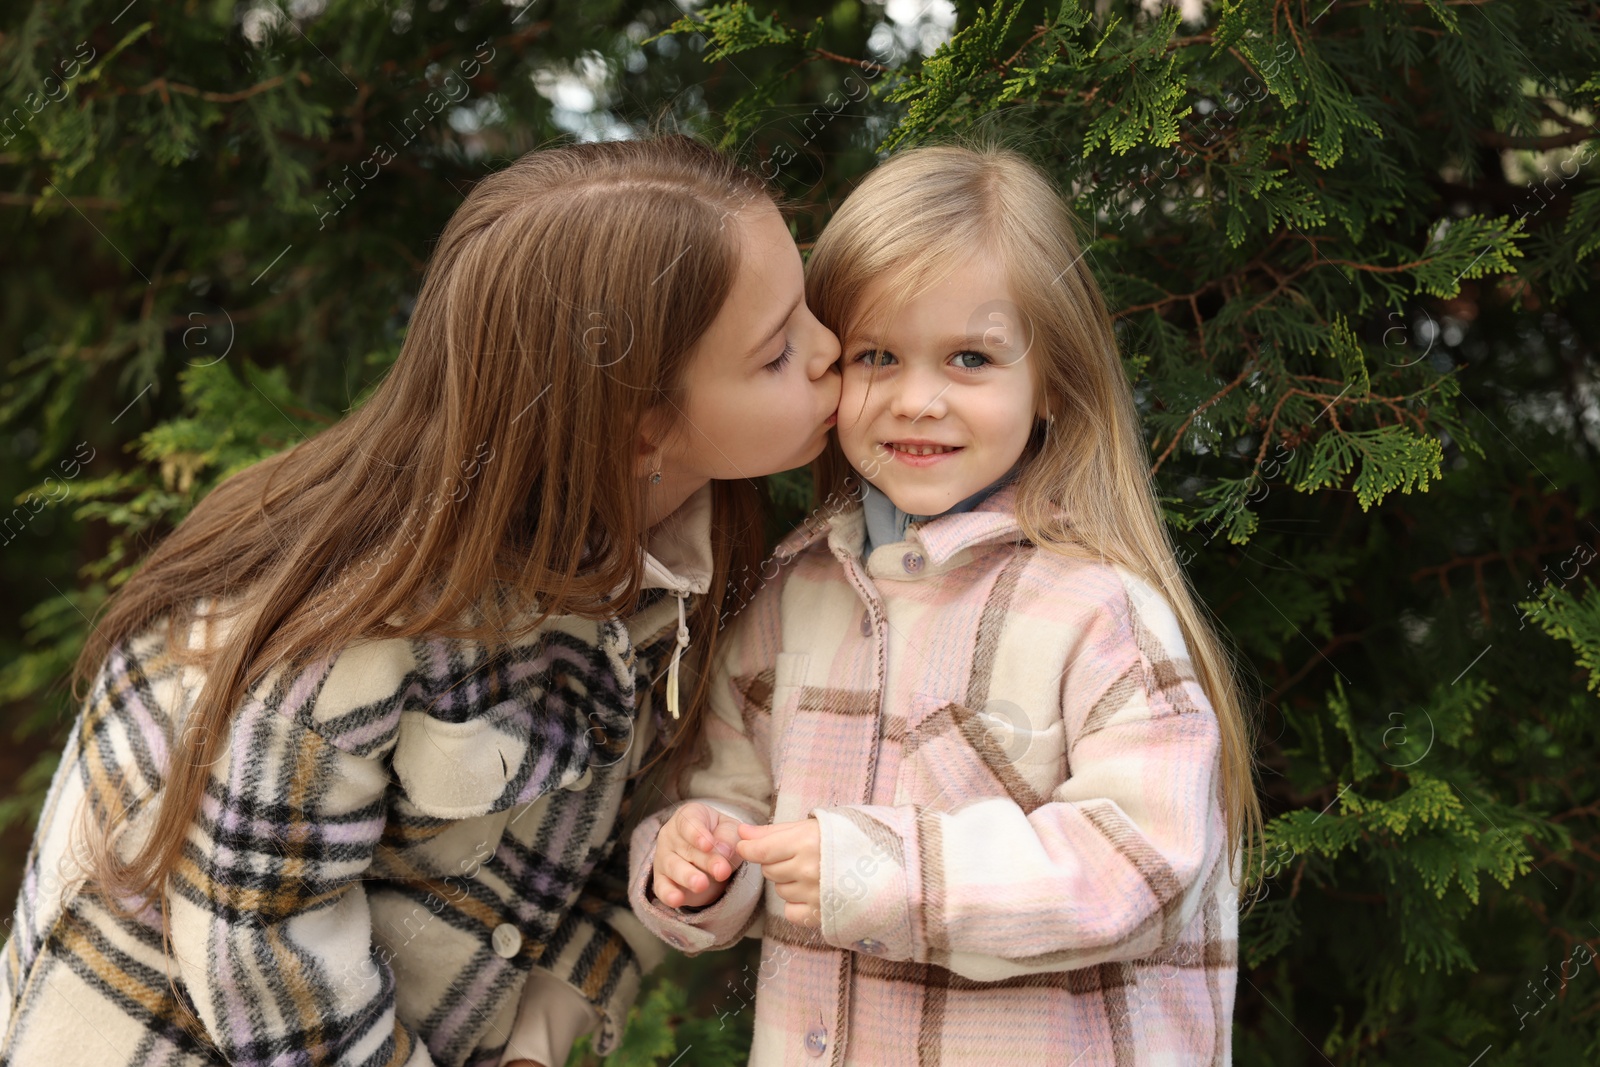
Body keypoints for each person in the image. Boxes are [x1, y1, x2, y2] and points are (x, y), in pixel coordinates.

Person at [0, 134, 841, 1067]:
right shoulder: (372, 620)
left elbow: (623, 837)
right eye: (777, 352)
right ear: (644, 426)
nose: (831, 350)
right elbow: (263, 942)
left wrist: (542, 1031)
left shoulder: (690, 558)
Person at [626, 143, 1261, 1065]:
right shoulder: (794, 591)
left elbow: (1146, 866)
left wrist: (882, 874)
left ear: (1052, 382)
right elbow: (723, 796)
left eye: (970, 358)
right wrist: (693, 857)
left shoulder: (1096, 609)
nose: (918, 399)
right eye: (877, 354)